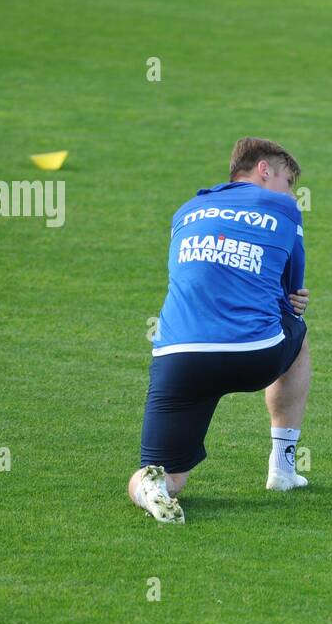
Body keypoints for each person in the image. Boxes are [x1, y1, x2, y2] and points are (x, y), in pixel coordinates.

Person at [127, 137, 311, 522]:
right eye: (286, 180)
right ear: (265, 170)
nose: (288, 190)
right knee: (297, 330)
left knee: (167, 473)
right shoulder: (283, 207)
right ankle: (282, 469)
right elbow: (291, 292)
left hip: (178, 356)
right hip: (253, 354)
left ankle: (152, 490)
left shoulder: (186, 210)